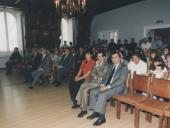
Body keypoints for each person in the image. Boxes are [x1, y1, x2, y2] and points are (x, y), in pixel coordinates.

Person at [87, 52, 128, 126]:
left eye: (116, 57)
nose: (114, 59)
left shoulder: (124, 67)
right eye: (112, 57)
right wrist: (102, 83)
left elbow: (120, 81)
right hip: (108, 85)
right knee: (93, 92)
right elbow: (106, 77)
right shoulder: (111, 66)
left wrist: (107, 87)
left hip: (118, 88)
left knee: (102, 95)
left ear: (119, 58)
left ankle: (102, 118)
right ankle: (97, 112)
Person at [76, 52, 109, 118]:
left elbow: (102, 75)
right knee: (84, 90)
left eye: (100, 56)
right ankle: (84, 110)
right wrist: (96, 77)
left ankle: (78, 101)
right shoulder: (96, 63)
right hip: (94, 81)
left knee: (82, 86)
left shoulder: (106, 64)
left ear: (103, 57)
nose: (98, 58)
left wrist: (98, 66)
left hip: (101, 83)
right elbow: (92, 73)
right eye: (98, 56)